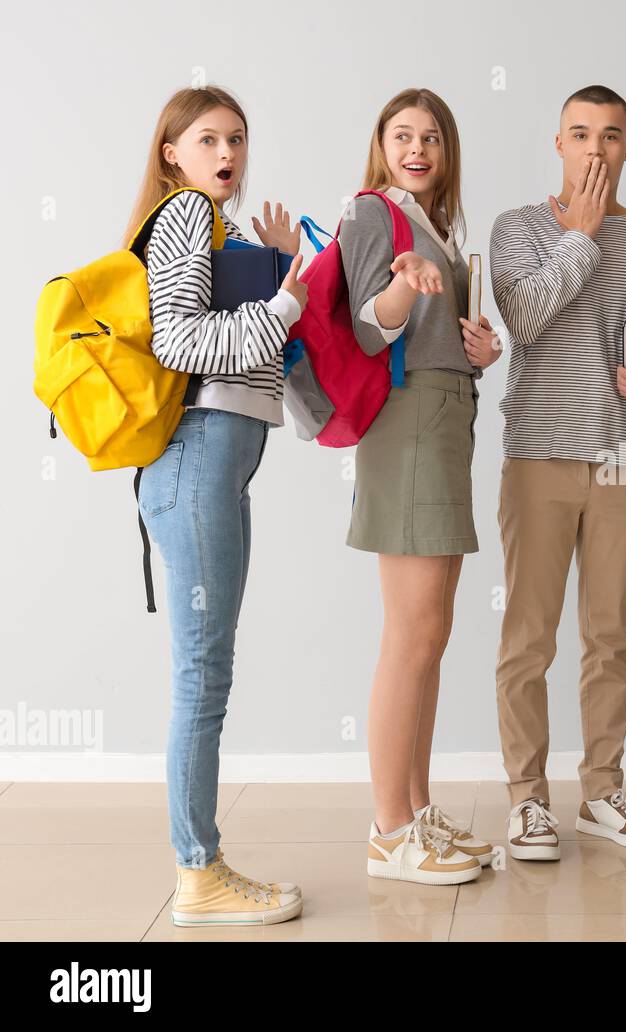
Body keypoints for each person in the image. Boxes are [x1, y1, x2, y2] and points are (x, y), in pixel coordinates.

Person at [489, 84, 626, 860]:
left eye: (611, 136)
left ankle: (602, 791)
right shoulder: (518, 229)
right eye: (580, 133)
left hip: (623, 459)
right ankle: (526, 800)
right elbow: (524, 321)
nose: (595, 150)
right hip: (539, 455)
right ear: (559, 143)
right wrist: (577, 236)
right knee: (527, 640)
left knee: (608, 636)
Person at [132, 85, 307, 925]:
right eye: (206, 139)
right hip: (194, 463)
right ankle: (196, 874)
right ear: (173, 152)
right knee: (201, 678)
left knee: (211, 675)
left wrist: (278, 261)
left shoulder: (223, 228)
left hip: (221, 468)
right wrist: (283, 300)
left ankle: (203, 864)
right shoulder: (181, 218)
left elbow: (264, 359)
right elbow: (181, 338)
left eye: (237, 137)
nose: (226, 152)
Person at [341, 89, 501, 886]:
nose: (417, 147)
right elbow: (370, 324)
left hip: (446, 414)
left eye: (431, 136)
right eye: (402, 134)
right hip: (407, 425)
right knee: (410, 633)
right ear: (381, 143)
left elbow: (436, 337)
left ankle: (418, 808)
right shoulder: (373, 213)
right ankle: (388, 830)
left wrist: (481, 347)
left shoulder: (439, 228)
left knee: (431, 633)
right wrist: (404, 285)